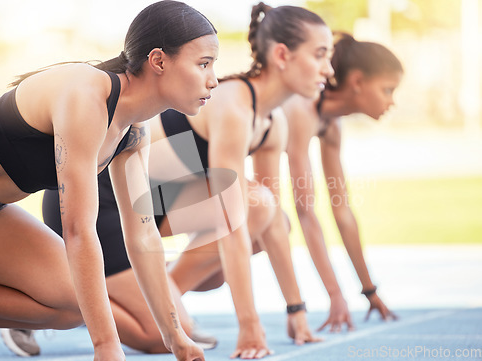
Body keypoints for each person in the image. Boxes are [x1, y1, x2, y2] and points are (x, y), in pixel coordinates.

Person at [21, 2, 333, 359]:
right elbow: (231, 226)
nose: (329, 68)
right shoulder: (233, 106)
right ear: (282, 54)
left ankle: (156, 298)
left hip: (155, 207)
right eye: (321, 54)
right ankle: (71, 301)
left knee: (262, 209)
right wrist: (248, 326)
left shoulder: (272, 123)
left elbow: (270, 223)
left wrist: (297, 310)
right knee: (159, 336)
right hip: (107, 203)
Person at [0, 1, 219, 360]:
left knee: (75, 302)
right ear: (158, 61)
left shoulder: (134, 130)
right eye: (203, 64)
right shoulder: (86, 95)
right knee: (89, 303)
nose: (213, 79)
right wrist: (106, 346)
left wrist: (175, 337)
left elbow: (142, 235)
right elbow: (78, 228)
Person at [281, 32, 403, 332]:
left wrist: (368, 290)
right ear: (357, 81)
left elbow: (342, 212)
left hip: (205, 175)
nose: (392, 102)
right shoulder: (301, 108)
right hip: (186, 155)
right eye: (387, 90)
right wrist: (335, 297)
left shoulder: (331, 125)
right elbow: (306, 210)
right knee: (266, 220)